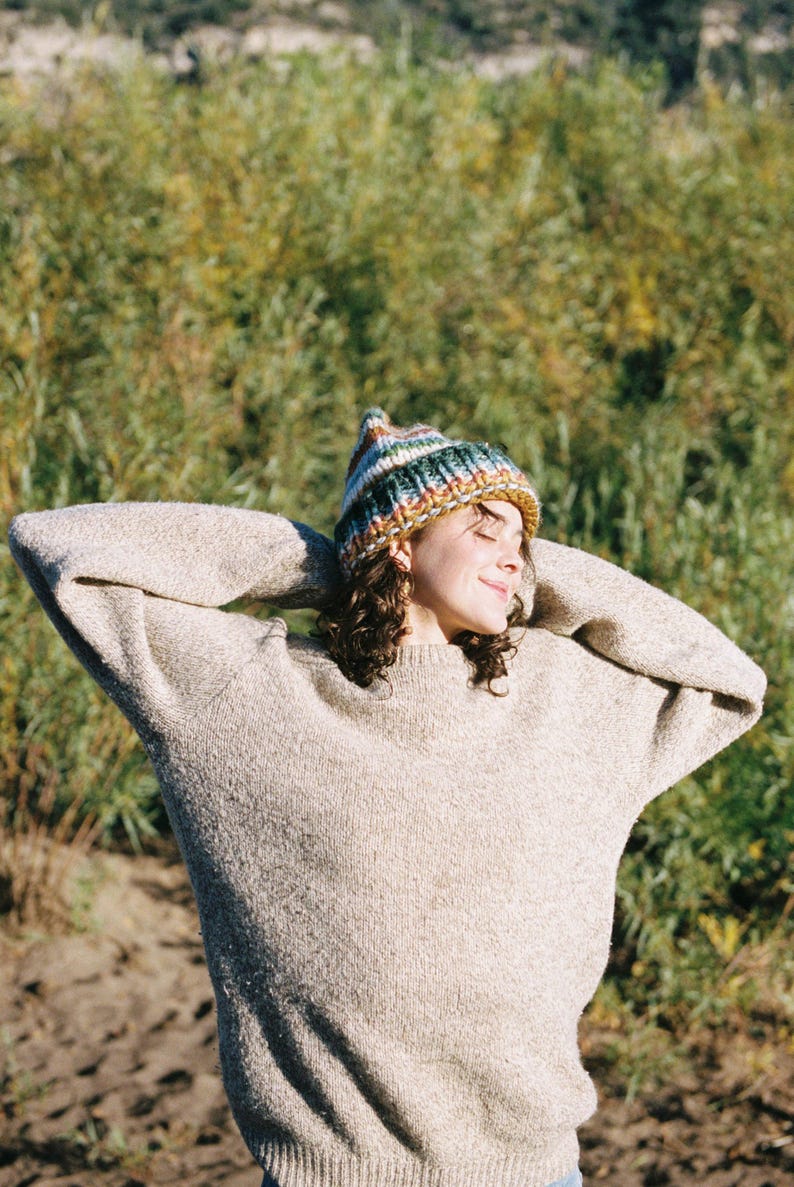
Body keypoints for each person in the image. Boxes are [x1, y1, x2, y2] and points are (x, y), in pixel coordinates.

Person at [8, 407, 766, 1187]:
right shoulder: (249, 692)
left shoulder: (565, 697)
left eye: (521, 539)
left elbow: (728, 677)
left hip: (534, 1174)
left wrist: (526, 574)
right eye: (483, 527)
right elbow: (62, 545)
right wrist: (329, 559)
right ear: (401, 542)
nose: (512, 554)